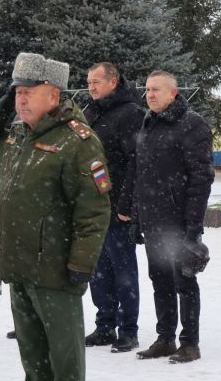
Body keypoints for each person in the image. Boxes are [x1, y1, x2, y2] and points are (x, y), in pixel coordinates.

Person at [0, 52, 111, 381]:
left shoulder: (78, 141)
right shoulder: (18, 135)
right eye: (17, 92)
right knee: (33, 359)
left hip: (55, 270)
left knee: (64, 363)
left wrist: (81, 263)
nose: (20, 100)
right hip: (19, 266)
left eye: (28, 92)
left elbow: (93, 209)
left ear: (53, 95)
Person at [128, 70, 214, 364]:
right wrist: (137, 218)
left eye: (156, 90)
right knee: (159, 280)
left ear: (173, 93)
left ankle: (190, 343)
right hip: (153, 220)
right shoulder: (148, 123)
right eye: (148, 90)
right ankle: (165, 338)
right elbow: (142, 175)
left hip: (179, 221)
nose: (150, 95)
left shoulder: (192, 125)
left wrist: (193, 227)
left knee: (184, 282)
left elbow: (201, 179)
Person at [82, 62, 144, 353]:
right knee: (98, 270)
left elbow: (136, 161)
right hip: (92, 207)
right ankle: (104, 325)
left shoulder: (130, 114)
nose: (91, 87)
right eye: (89, 81)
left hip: (117, 205)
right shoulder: (91, 111)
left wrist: (126, 202)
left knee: (123, 270)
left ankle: (128, 330)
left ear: (113, 82)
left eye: (96, 82)